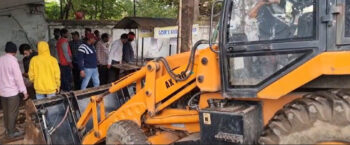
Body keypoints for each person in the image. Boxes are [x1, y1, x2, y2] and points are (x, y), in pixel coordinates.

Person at [0, 42, 28, 138]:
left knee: (6, 112)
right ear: (15, 51)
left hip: (2, 92)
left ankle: (9, 129)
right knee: (13, 112)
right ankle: (11, 133)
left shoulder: (1, 59)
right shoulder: (13, 61)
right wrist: (24, 91)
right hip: (12, 92)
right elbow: (18, 78)